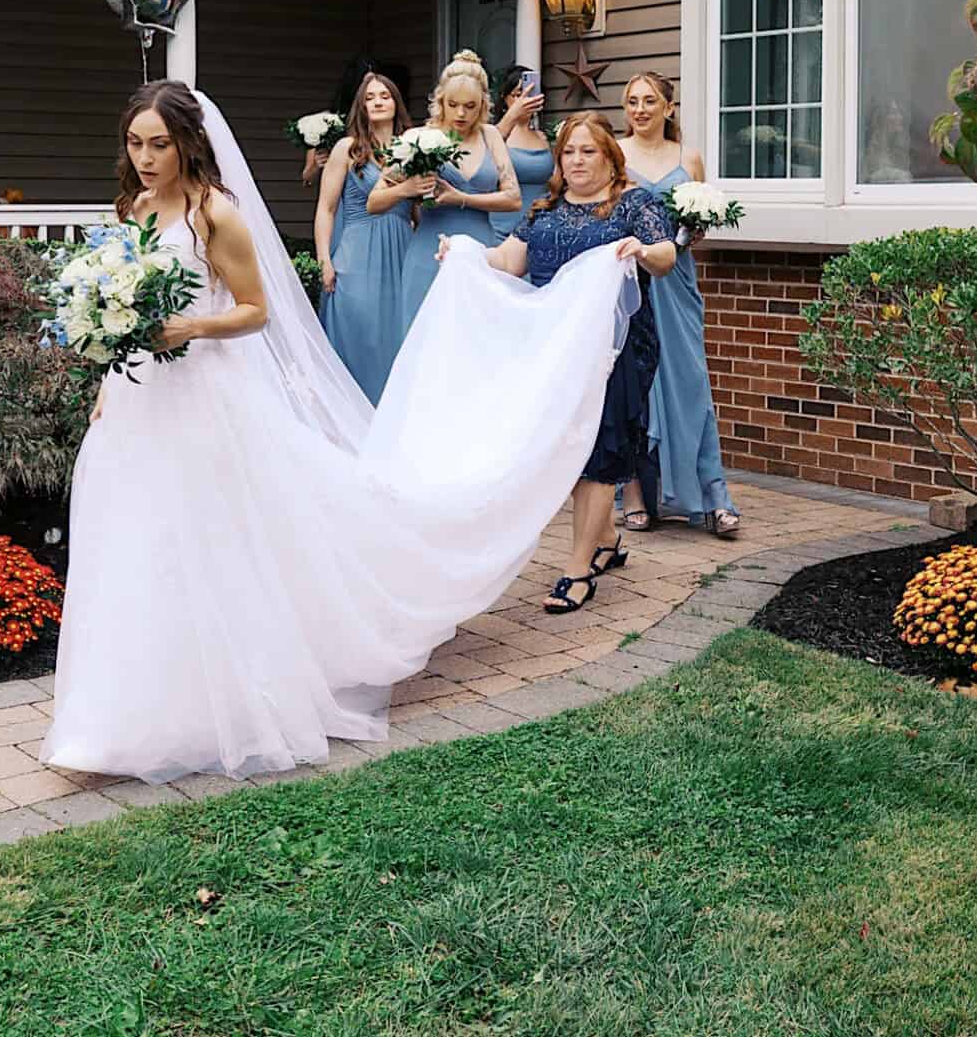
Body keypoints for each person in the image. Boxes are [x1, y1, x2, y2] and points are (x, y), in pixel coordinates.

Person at [46, 82, 642, 782]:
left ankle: (217, 700)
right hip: (141, 401)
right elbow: (127, 313)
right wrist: (107, 379)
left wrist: (192, 325)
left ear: (187, 144)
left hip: (206, 398)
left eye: (159, 143)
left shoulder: (217, 216)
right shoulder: (136, 209)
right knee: (134, 541)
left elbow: (254, 311)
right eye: (135, 143)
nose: (145, 157)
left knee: (208, 541)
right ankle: (113, 719)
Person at [452, 112, 677, 614]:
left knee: (598, 449)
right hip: (556, 348)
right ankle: (607, 541)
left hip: (618, 350)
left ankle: (578, 570)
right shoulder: (544, 209)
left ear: (609, 157)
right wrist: (465, 254)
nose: (576, 160)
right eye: (569, 152)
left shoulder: (633, 204)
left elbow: (665, 257)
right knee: (570, 446)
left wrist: (642, 249)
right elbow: (510, 262)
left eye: (588, 151)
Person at [618, 72, 742, 540]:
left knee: (691, 385)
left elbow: (701, 222)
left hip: (678, 282)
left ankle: (714, 495)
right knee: (632, 386)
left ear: (669, 108)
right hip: (630, 282)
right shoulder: (615, 153)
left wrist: (696, 229)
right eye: (632, 101)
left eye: (650, 101)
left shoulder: (688, 157)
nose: (641, 109)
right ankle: (634, 494)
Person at [384, 51, 518, 343]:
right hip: (428, 254)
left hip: (482, 251)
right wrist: (408, 189)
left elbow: (513, 198)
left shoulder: (490, 135)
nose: (461, 114)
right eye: (453, 105)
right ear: (440, 102)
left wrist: (461, 198)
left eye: (470, 106)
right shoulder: (417, 138)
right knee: (426, 344)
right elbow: (375, 199)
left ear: (482, 105)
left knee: (479, 343)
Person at [315, 70, 409, 400]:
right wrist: (324, 259)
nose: (378, 102)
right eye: (370, 98)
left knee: (398, 338)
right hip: (357, 252)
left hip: (402, 253)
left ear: (396, 103)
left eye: (384, 96)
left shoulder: (411, 147)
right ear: (361, 107)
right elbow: (326, 208)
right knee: (362, 335)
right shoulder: (347, 149)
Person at [302, 56, 407, 188]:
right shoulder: (325, 124)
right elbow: (307, 178)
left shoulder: (393, 130)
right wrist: (316, 166)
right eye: (364, 84)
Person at [492, 63, 555, 241]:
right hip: (500, 232)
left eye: (530, 94)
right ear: (505, 98)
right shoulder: (494, 134)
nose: (524, 100)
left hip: (538, 230)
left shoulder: (543, 138)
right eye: (518, 95)